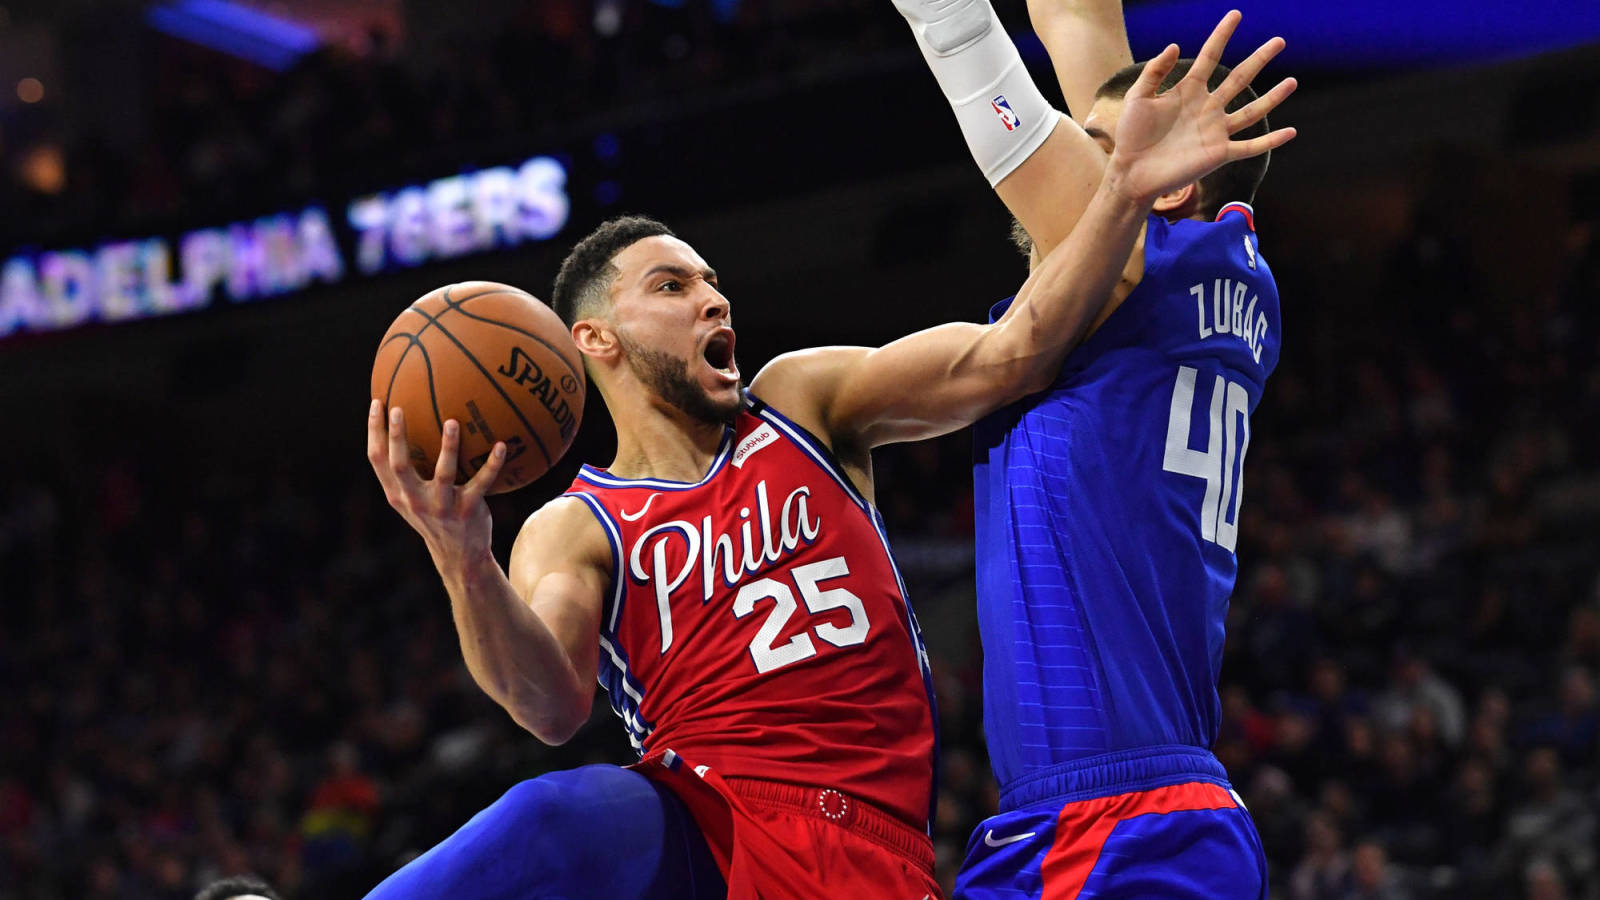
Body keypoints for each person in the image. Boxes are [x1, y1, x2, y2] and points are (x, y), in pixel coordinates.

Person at [361, 25, 1291, 897]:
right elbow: (551, 707)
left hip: (885, 855)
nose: (713, 302)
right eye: (673, 286)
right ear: (594, 338)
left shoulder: (802, 400)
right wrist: (461, 557)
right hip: (715, 821)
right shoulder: (578, 523)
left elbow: (1017, 351)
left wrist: (1119, 194)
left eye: (715, 283)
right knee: (557, 814)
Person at [891, 0, 1294, 896]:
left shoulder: (1142, 265)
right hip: (1113, 811)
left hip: (1116, 820)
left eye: (1098, 151)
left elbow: (978, 62)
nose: (1076, 166)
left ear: (1170, 181)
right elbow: (1078, 20)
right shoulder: (1201, 278)